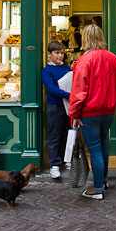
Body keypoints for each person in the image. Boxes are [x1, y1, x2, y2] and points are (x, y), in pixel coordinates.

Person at [68, 24, 116, 200]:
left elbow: (78, 91)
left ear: (85, 38)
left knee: (94, 149)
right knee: (102, 145)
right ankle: (103, 180)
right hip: (108, 111)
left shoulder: (84, 61)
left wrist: (74, 114)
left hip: (89, 112)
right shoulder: (113, 58)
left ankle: (98, 188)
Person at [41, 41, 72, 179]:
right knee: (54, 136)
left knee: (65, 134)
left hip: (68, 106)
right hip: (55, 106)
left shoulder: (67, 68)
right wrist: (69, 95)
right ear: (49, 54)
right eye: (57, 53)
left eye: (62, 53)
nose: (60, 56)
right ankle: (54, 164)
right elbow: (51, 89)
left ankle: (64, 160)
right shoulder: (46, 71)